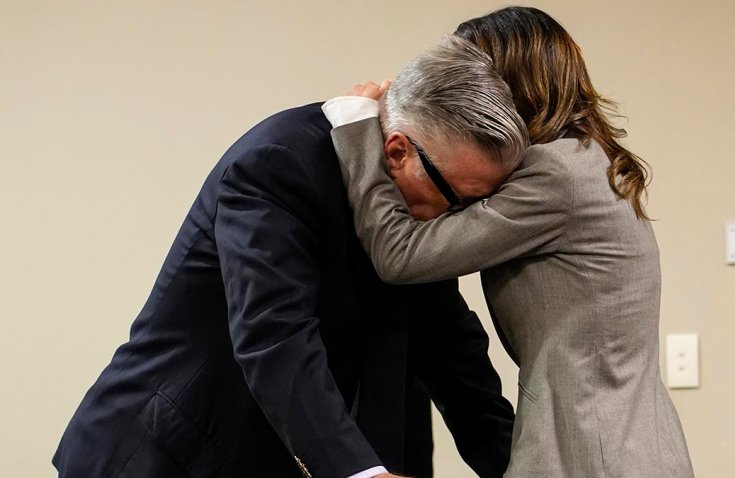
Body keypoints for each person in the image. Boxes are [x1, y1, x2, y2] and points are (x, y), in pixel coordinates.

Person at [53, 38, 526, 478]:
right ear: (398, 151)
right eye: (457, 200)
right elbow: (274, 334)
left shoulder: (417, 215)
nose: (463, 221)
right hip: (165, 456)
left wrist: (522, 468)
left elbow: (450, 350)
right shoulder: (282, 161)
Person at [324, 6, 695, 478]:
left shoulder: (555, 174)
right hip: (623, 442)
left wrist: (356, 129)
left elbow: (402, 256)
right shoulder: (586, 160)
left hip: (588, 447)